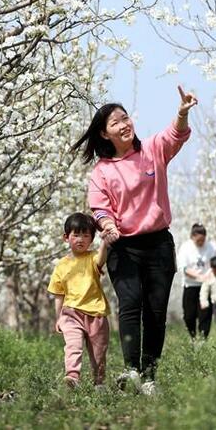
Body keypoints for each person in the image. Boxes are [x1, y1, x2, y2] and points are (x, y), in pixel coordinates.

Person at [72, 85, 197, 394]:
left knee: (156, 313)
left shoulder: (152, 150)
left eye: (125, 118)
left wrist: (181, 113)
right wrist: (107, 225)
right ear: (104, 134)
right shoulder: (102, 171)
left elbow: (175, 135)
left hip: (158, 244)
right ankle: (131, 371)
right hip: (124, 248)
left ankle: (149, 375)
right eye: (116, 122)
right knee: (130, 305)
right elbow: (100, 208)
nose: (124, 124)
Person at [48, 213, 110, 388]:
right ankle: (72, 378)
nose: (80, 239)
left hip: (96, 313)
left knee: (98, 352)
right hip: (70, 313)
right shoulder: (61, 265)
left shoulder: (92, 258)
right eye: (75, 235)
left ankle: (99, 382)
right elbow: (58, 294)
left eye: (85, 235)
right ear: (66, 237)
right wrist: (59, 317)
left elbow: (101, 259)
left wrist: (105, 242)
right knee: (73, 346)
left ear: (91, 239)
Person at [178, 223, 216, 339]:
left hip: (206, 286)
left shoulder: (211, 246)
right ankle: (193, 337)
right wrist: (198, 276)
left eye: (203, 240)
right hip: (190, 285)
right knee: (189, 316)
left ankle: (202, 340)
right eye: (199, 240)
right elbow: (184, 268)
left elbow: (215, 263)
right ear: (192, 237)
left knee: (205, 314)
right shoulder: (185, 247)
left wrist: (208, 276)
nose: (201, 243)